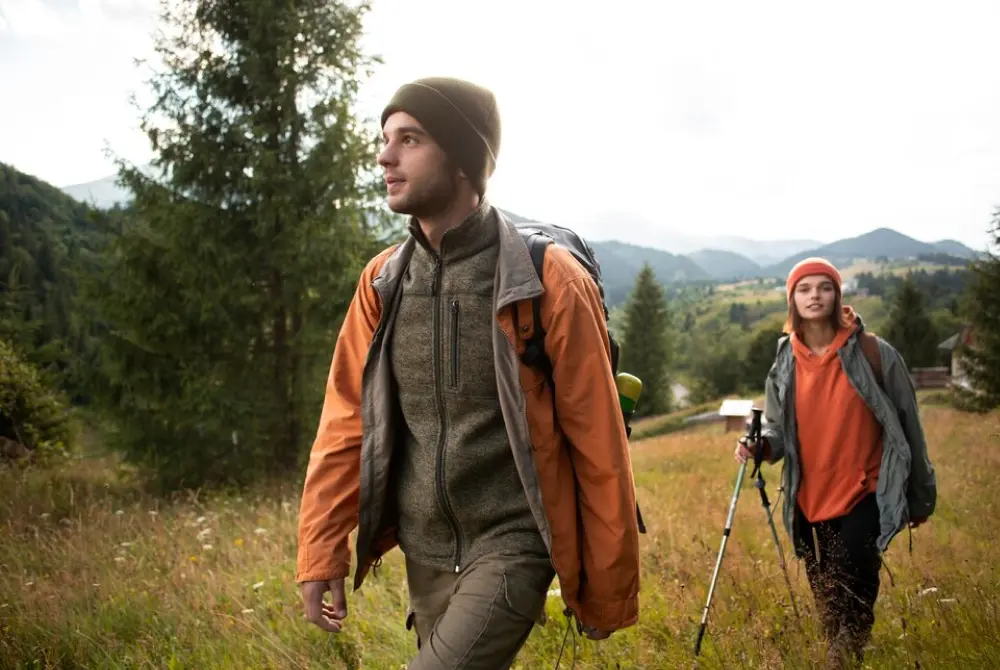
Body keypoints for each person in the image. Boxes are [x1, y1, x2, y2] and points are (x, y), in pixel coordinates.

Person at [295, 76, 642, 669]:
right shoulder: (382, 282)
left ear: (462, 159)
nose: (385, 155)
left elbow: (598, 442)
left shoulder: (547, 279)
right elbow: (345, 422)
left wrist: (605, 590)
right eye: (385, 139)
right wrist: (321, 550)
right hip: (424, 549)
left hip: (514, 541)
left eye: (410, 139)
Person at [734, 257, 937, 669]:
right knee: (827, 596)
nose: (815, 296)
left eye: (823, 287)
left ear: (837, 294)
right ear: (792, 298)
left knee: (853, 585)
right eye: (804, 289)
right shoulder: (785, 359)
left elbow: (909, 429)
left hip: (865, 490)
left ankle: (843, 659)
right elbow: (777, 430)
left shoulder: (875, 354)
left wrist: (919, 497)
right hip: (809, 497)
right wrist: (760, 448)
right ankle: (840, 647)